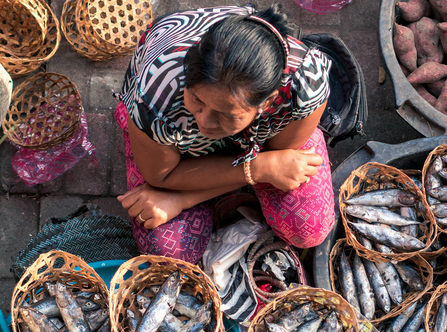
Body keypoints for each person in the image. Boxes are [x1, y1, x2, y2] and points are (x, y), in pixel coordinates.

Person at [115, 4, 336, 263]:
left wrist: (183, 198)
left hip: (259, 147)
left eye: (226, 115)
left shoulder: (305, 82)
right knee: (169, 252)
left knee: (309, 229)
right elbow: (162, 176)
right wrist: (261, 168)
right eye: (197, 99)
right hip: (182, 154)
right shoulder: (157, 92)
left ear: (268, 103)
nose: (204, 121)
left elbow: (278, 155)